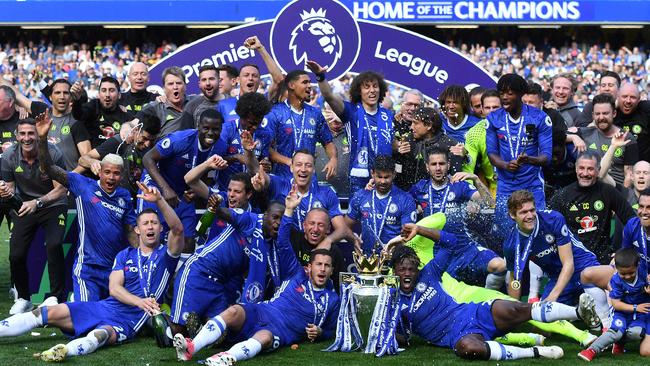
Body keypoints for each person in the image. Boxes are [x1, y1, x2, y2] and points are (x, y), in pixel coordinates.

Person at [0, 182, 183, 362]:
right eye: (145, 223)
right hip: (104, 307)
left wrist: (159, 200)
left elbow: (178, 229)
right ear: (137, 229)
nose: (150, 227)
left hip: (129, 319)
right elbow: (114, 288)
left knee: (100, 335)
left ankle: (65, 351)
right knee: (45, 313)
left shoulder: (166, 256)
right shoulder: (125, 255)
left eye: (154, 223)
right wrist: (139, 301)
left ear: (160, 228)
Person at [173, 188, 340, 365]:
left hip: (281, 330)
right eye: (318, 265)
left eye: (326, 266)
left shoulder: (332, 299)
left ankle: (224, 358)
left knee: (264, 338)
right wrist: (289, 210)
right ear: (309, 268)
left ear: (331, 270)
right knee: (234, 311)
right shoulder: (296, 273)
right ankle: (191, 347)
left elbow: (333, 329)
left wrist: (321, 332)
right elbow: (283, 241)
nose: (322, 269)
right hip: (263, 310)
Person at [390, 224, 600, 361]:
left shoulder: (429, 273)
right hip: (458, 335)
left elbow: (451, 242)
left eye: (411, 269)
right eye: (402, 270)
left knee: (514, 308)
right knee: (468, 349)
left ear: (417, 269)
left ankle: (579, 313)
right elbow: (400, 337)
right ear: (394, 272)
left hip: (472, 312)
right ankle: (535, 351)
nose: (408, 273)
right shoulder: (393, 301)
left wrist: (419, 228)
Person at [36, 111, 137, 302]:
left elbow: (131, 231)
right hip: (87, 269)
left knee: (112, 320)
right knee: (88, 317)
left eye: (116, 174)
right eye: (107, 172)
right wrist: (42, 139)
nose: (111, 177)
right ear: (100, 172)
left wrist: (144, 256)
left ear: (121, 175)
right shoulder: (83, 185)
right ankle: (73, 302)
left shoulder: (124, 196)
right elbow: (48, 168)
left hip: (114, 272)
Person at [170, 199, 284, 335]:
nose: (278, 223)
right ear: (265, 215)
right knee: (178, 332)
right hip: (199, 271)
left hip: (220, 284)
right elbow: (227, 214)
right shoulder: (250, 219)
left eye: (282, 220)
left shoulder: (271, 246)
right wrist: (215, 208)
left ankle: (200, 325)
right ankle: (161, 318)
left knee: (220, 332)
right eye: (275, 217)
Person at [504, 190, 615, 328]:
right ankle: (579, 310)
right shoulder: (511, 244)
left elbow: (569, 264)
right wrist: (514, 309)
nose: (530, 215)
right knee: (542, 328)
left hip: (583, 265)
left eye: (532, 210)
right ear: (512, 215)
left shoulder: (553, 219)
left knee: (613, 281)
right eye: (523, 212)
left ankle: (611, 316)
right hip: (557, 277)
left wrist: (553, 297)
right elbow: (515, 279)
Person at [409, 147, 504, 288]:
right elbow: (402, 203)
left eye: (441, 164)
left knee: (500, 265)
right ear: (427, 167)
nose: (438, 168)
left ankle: (489, 298)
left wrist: (476, 179)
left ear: (448, 165)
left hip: (463, 249)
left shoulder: (459, 186)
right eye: (433, 164)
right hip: (435, 254)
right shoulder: (419, 189)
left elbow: (490, 204)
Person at [0, 119, 68, 313]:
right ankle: (23, 297)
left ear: (38, 135)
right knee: (16, 254)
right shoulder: (8, 156)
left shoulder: (52, 153)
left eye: (31, 133)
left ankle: (56, 296)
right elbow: (11, 192)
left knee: (54, 244)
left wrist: (37, 202)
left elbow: (61, 190)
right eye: (23, 134)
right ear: (16, 136)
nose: (27, 138)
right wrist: (6, 193)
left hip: (54, 205)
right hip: (26, 206)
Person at [140, 108, 225, 253]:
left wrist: (194, 191)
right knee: (153, 237)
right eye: (206, 128)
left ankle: (181, 275)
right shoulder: (181, 140)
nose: (210, 133)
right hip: (157, 185)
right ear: (198, 126)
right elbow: (147, 158)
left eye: (215, 129)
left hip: (182, 192)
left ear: (221, 129)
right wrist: (165, 189)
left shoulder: (220, 147)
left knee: (188, 242)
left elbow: (204, 173)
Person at [307, 60, 393, 192]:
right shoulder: (350, 111)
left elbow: (393, 144)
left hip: (384, 178)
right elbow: (329, 96)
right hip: (359, 180)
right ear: (359, 91)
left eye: (375, 86)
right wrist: (320, 76)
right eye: (367, 87)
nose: (372, 90)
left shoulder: (388, 116)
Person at [486, 73, 552, 239]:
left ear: (521, 94)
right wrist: (505, 165)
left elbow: (546, 157)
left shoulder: (539, 118)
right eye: (502, 93)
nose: (505, 97)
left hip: (532, 184)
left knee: (537, 232)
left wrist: (529, 160)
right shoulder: (494, 118)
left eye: (510, 93)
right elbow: (492, 153)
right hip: (505, 186)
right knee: (504, 233)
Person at [549, 151, 635, 264]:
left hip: (602, 261)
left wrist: (625, 251)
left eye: (590, 169)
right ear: (575, 169)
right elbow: (551, 232)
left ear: (598, 170)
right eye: (581, 168)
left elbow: (632, 221)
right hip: (573, 261)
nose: (585, 173)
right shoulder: (562, 196)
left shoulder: (608, 192)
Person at [578, 248, 650, 361]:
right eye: (623, 274)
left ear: (638, 266)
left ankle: (619, 343)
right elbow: (616, 304)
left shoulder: (643, 271)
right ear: (616, 268)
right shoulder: (615, 281)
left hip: (640, 314)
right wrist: (636, 307)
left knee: (636, 333)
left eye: (631, 273)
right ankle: (591, 350)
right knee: (616, 332)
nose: (627, 276)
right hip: (622, 312)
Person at [267, 70, 337, 180]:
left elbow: (328, 142)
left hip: (309, 180)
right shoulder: (275, 112)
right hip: (282, 180)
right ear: (291, 85)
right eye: (305, 82)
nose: (309, 86)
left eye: (310, 82)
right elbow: (267, 148)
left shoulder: (315, 113)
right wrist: (289, 162)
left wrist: (333, 159)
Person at [9, 79, 92, 171]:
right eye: (57, 92)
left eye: (66, 93)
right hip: (44, 182)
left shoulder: (76, 121)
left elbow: (87, 159)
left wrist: (70, 177)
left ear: (71, 97)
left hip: (69, 182)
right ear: (50, 97)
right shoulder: (42, 112)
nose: (62, 96)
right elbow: (16, 95)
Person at [78, 113, 161, 197]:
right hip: (117, 198)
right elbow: (83, 159)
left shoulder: (154, 148)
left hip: (143, 198)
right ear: (136, 130)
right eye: (145, 138)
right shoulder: (119, 142)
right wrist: (92, 162)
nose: (147, 144)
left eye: (151, 140)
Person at [347, 155, 415, 255]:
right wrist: (354, 239)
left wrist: (391, 244)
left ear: (394, 174)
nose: (383, 181)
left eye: (387, 177)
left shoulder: (405, 199)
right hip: (367, 259)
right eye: (379, 177)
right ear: (372, 174)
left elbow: (408, 233)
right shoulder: (361, 196)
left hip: (394, 259)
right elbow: (345, 226)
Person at [570, 93, 638, 186]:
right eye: (597, 114)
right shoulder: (585, 133)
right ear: (593, 115)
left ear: (614, 113)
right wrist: (574, 137)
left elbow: (629, 176)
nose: (601, 117)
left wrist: (623, 198)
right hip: (589, 189)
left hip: (614, 190)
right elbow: (558, 135)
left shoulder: (627, 138)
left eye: (605, 113)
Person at [215, 92, 272, 191]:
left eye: (258, 123)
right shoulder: (227, 130)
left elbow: (264, 158)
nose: (254, 127)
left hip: (252, 191)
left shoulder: (265, 134)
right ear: (241, 117)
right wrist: (236, 157)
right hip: (226, 190)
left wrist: (266, 163)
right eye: (251, 123)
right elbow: (215, 160)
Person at [395, 107, 463, 188]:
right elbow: (397, 172)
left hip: (437, 195)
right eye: (411, 123)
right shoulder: (408, 140)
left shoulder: (450, 145)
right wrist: (399, 155)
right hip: (409, 193)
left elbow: (455, 179)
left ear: (429, 125)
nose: (411, 127)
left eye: (415, 123)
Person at [71, 77, 134, 147]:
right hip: (94, 156)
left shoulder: (125, 116)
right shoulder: (93, 106)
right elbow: (79, 115)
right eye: (104, 90)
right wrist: (76, 100)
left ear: (119, 95)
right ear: (99, 94)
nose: (107, 95)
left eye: (111, 90)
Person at [131, 66, 191, 138]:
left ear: (185, 86)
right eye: (170, 84)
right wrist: (126, 127)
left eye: (178, 83)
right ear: (164, 89)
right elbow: (133, 124)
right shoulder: (155, 108)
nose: (175, 87)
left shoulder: (196, 102)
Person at [463, 89, 501, 196]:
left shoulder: (517, 127)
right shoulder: (474, 133)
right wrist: (470, 194)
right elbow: (468, 169)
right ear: (482, 110)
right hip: (493, 188)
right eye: (487, 108)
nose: (492, 111)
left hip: (519, 185)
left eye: (495, 107)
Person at [392, 89, 422, 190]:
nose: (413, 108)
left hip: (418, 183)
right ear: (401, 104)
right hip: (393, 182)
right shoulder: (390, 123)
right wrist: (394, 147)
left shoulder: (426, 126)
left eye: (416, 105)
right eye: (409, 104)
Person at [615, 83, 650, 162]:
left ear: (639, 99)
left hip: (642, 169)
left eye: (633, 97)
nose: (628, 101)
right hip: (616, 169)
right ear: (618, 97)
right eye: (624, 96)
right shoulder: (611, 113)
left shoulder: (645, 109)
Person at [621, 188, 650, 277]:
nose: (644, 212)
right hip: (636, 274)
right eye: (641, 206)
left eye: (649, 207)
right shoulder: (632, 225)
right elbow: (626, 256)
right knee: (587, 274)